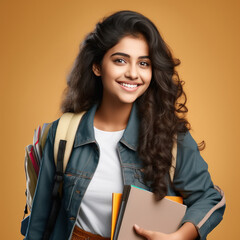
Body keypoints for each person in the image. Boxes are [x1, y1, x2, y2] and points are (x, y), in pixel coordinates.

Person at [24, 10, 225, 240]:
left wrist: (179, 237)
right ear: (97, 66)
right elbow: (38, 225)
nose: (132, 73)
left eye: (143, 63)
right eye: (120, 60)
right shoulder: (63, 133)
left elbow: (209, 197)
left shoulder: (169, 135)